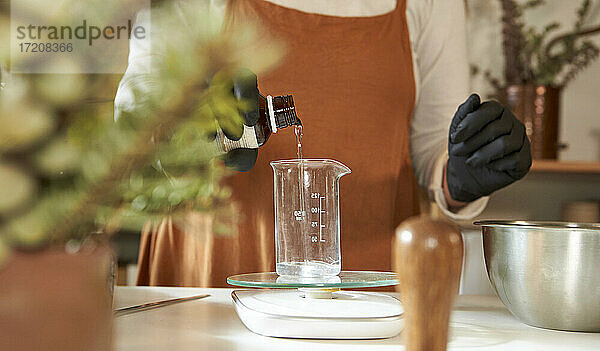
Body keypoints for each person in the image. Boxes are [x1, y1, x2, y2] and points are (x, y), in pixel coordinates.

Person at [115, 0, 531, 287]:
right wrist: (181, 123)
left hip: (366, 291)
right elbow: (136, 117)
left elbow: (435, 149)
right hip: (211, 279)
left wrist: (461, 178)